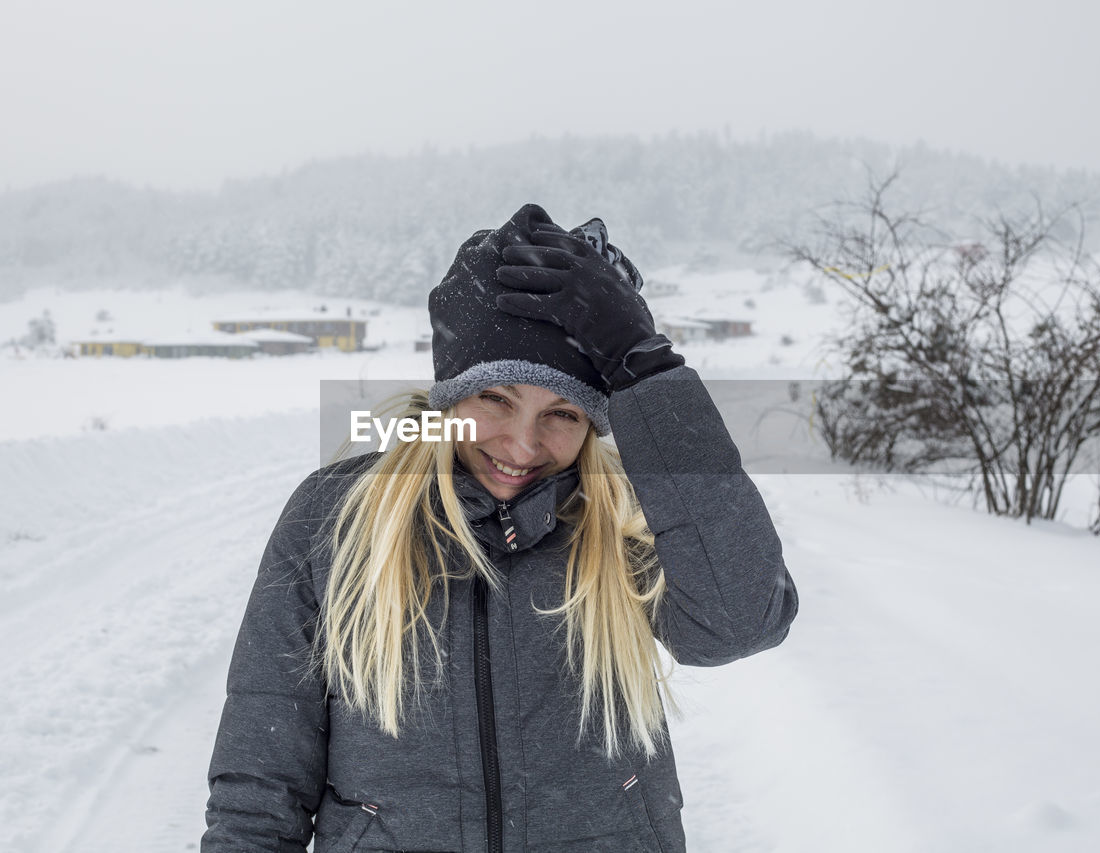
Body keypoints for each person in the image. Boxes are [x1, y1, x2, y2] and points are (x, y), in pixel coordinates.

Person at [202, 203, 799, 852]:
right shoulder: (336, 517)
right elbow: (259, 790)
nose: (522, 444)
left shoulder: (620, 515)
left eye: (564, 412)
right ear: (451, 392)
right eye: (495, 398)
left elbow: (741, 621)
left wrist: (646, 370)